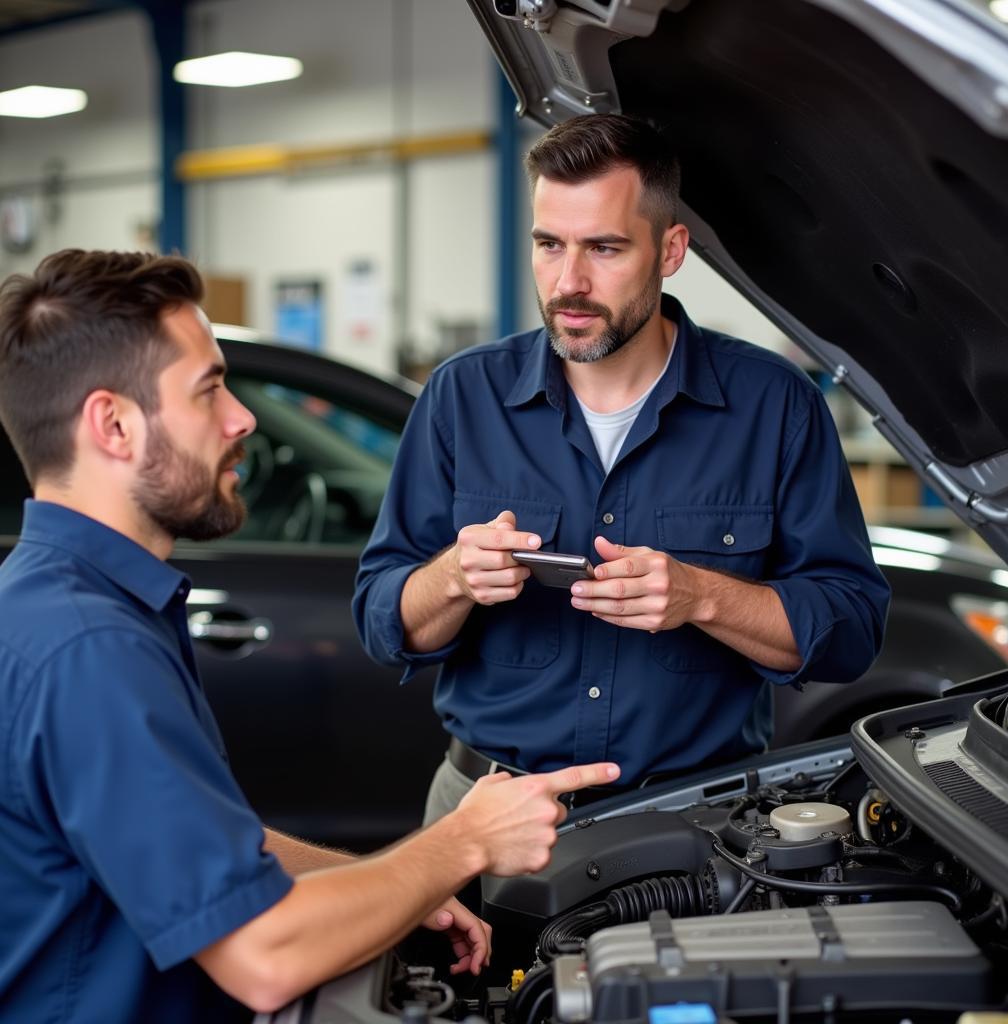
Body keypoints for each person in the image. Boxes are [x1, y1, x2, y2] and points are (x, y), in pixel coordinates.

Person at [0, 248, 620, 1024]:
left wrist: (399, 886)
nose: (244, 419)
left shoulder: (68, 603)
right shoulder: (86, 650)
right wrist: (462, 843)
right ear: (114, 425)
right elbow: (263, 956)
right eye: (209, 390)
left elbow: (212, 844)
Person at [353, 113, 891, 824]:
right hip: (482, 813)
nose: (568, 283)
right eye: (549, 245)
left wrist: (704, 597)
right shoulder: (463, 396)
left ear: (670, 251)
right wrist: (453, 577)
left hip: (693, 829)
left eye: (604, 248)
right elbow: (381, 618)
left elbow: (850, 631)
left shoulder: (775, 406)